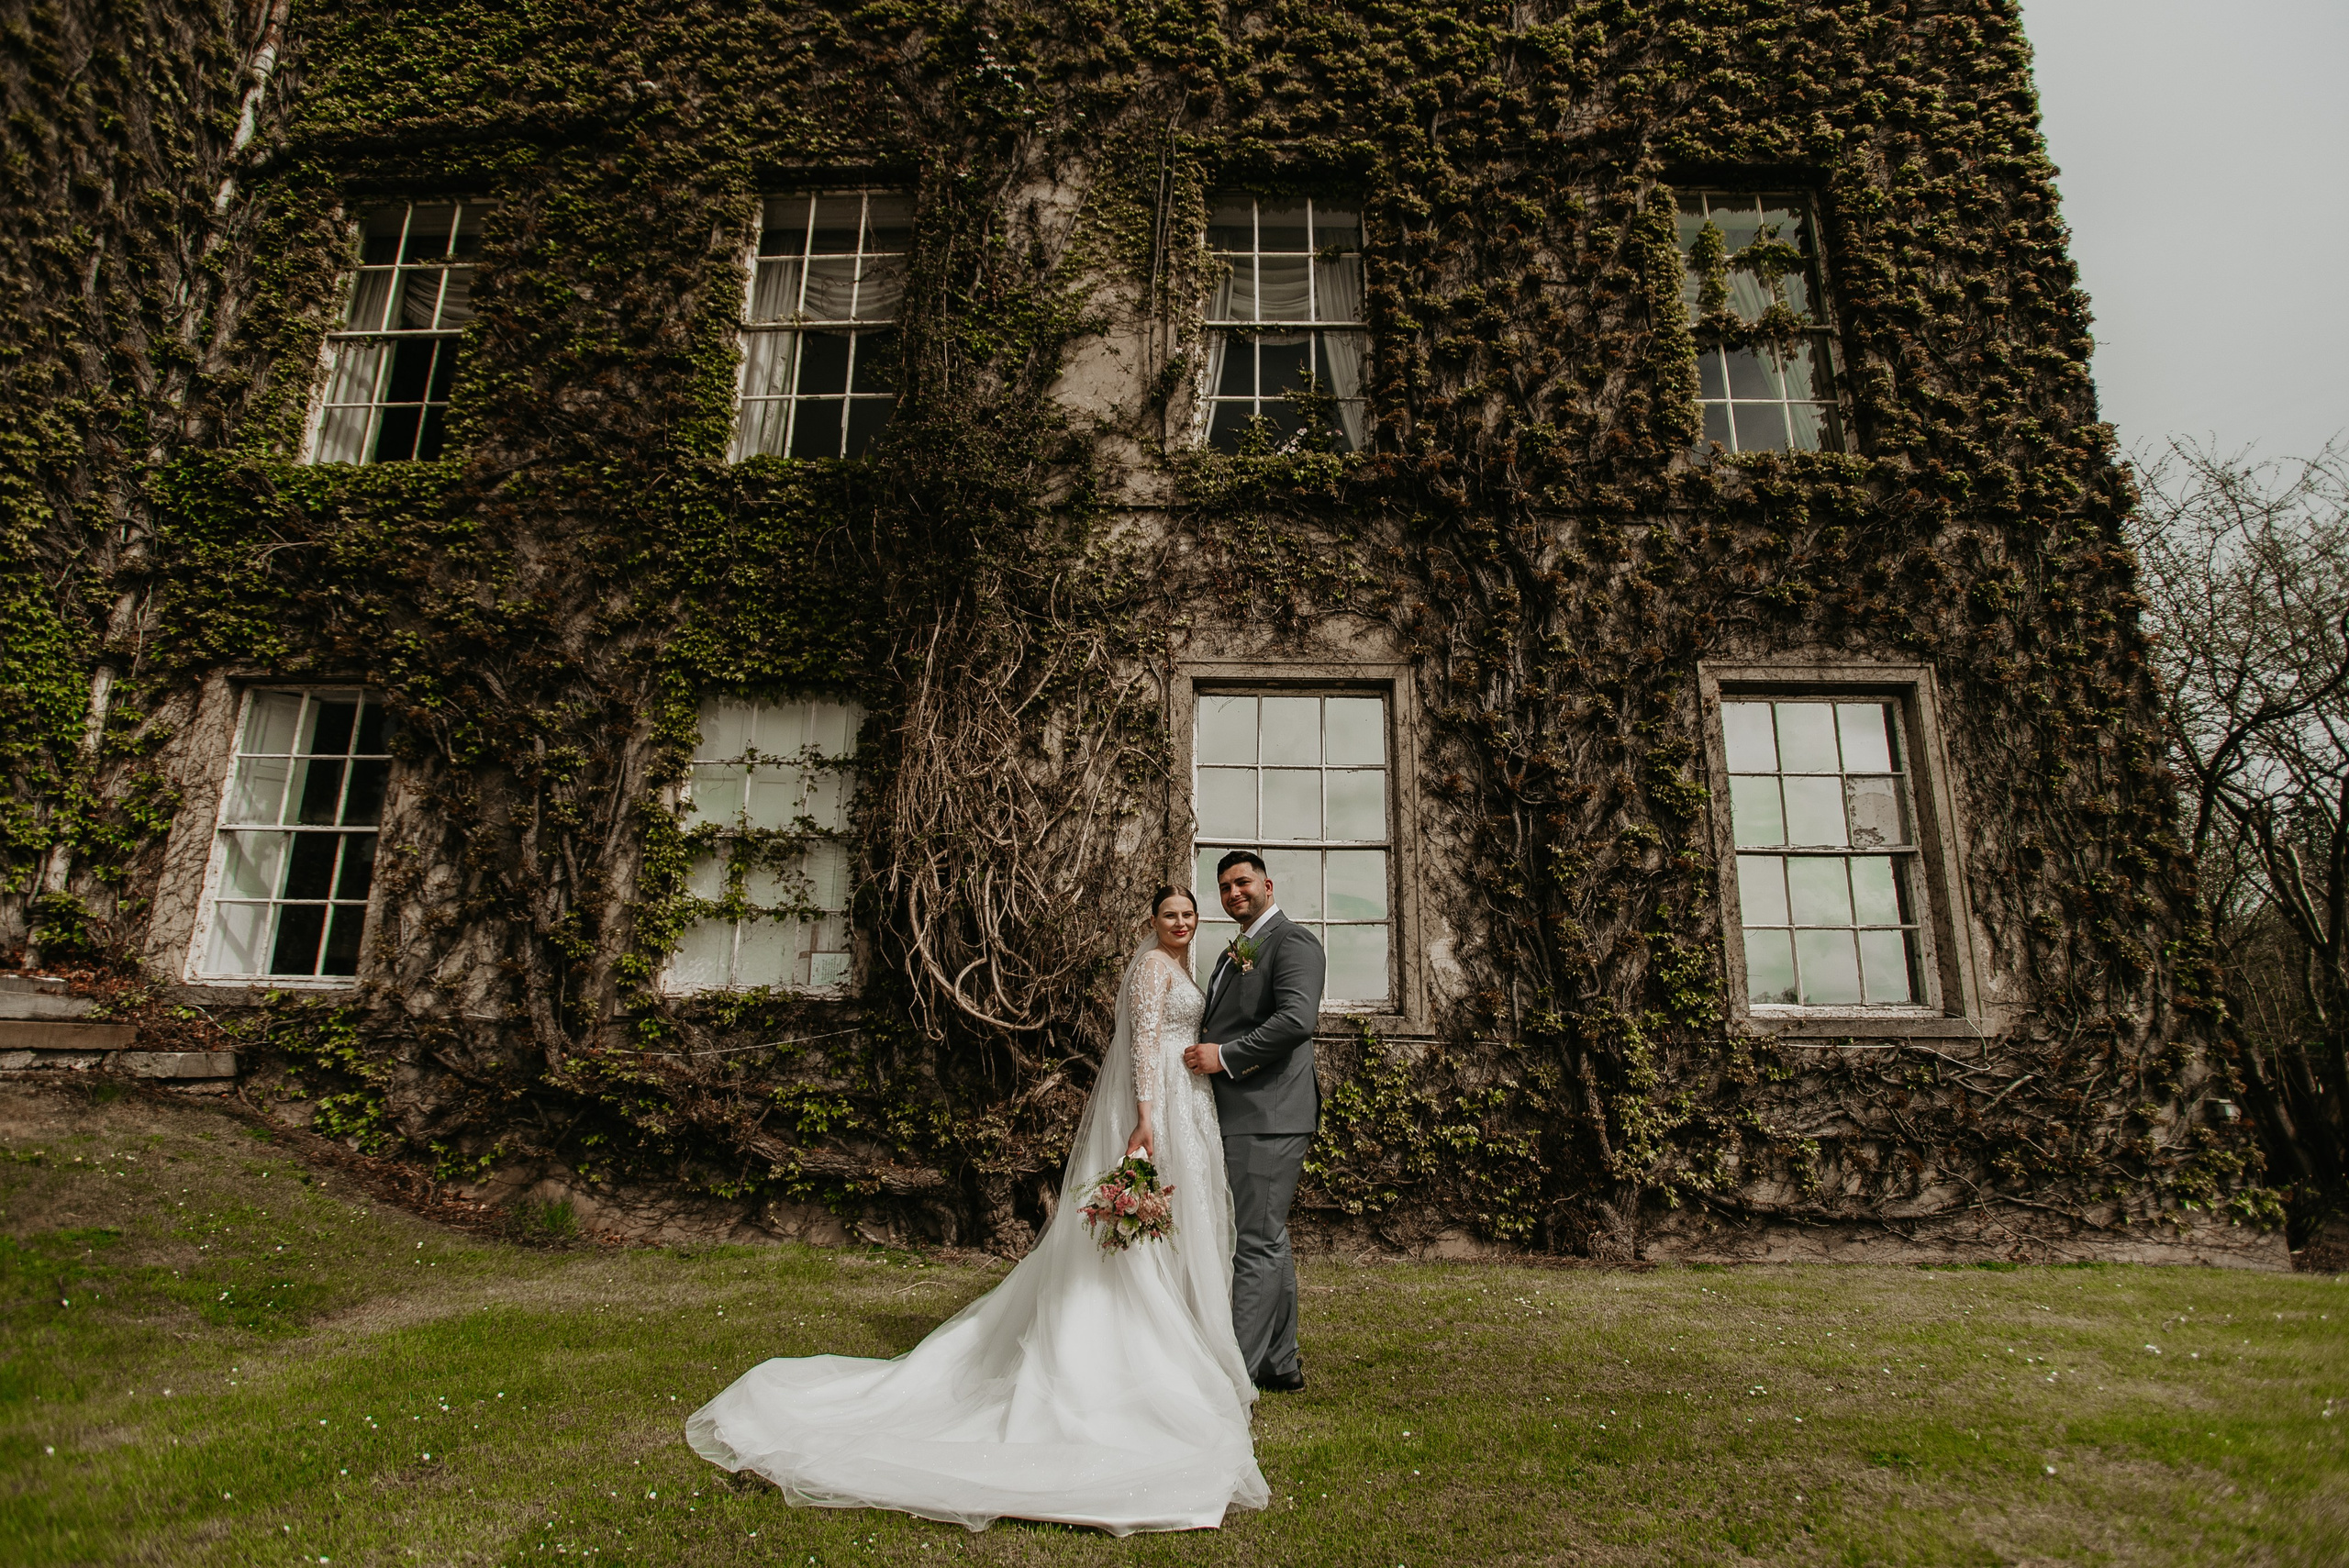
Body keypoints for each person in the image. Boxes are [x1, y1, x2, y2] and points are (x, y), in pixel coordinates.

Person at [685, 886, 1268, 1536]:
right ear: (1151, 921)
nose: (1182, 923)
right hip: (1158, 1099)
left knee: (1180, 1228)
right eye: (1170, 915)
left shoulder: (1187, 963)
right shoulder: (1152, 968)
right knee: (1142, 1240)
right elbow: (1141, 1042)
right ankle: (1147, 1357)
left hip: (1188, 1096)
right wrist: (1145, 1116)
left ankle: (1187, 1342)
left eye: (1188, 915)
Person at [1182, 851, 1326, 1393]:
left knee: (1255, 1242)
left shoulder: (1293, 943)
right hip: (1245, 1112)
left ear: (1267, 884)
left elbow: (1295, 1020)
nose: (1233, 893)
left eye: (1242, 882)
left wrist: (1224, 1056)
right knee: (1269, 1236)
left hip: (1269, 1112)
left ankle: (1230, 1376)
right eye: (1224, 887)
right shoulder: (1238, 950)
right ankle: (1277, 1364)